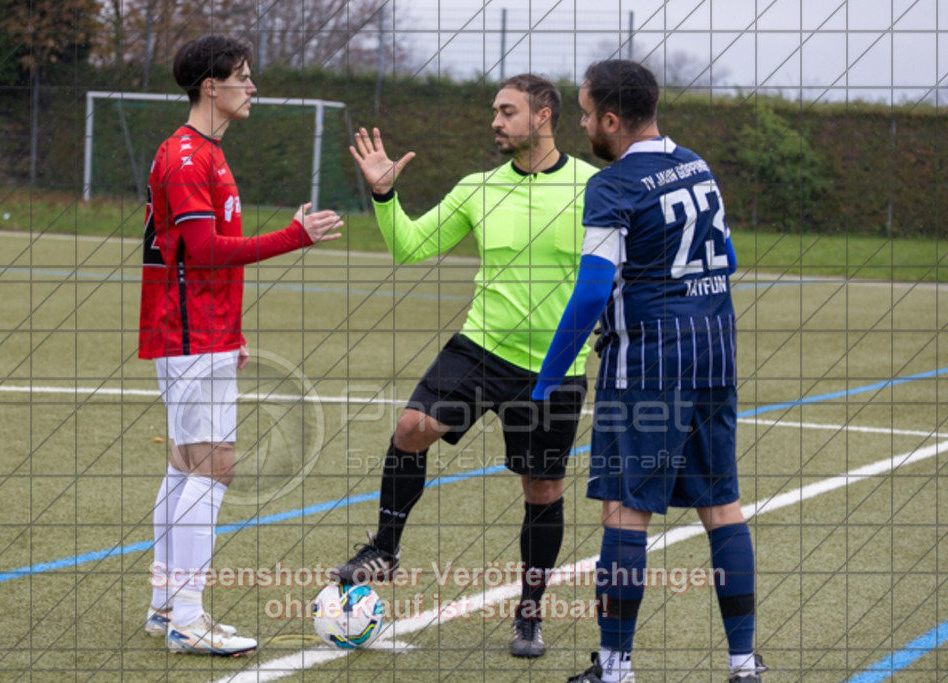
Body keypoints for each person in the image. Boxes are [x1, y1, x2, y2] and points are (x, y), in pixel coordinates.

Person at [332, 74, 598, 659]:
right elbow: (410, 246)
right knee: (411, 428)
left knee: (543, 488)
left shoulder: (593, 187)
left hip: (555, 368)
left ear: (544, 116)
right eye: (495, 112)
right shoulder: (477, 188)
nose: (496, 122)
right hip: (479, 349)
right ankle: (385, 547)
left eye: (508, 112)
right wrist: (384, 196)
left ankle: (529, 616)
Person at [531, 60, 764, 682]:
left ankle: (615, 668)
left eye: (584, 114)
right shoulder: (697, 165)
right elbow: (728, 256)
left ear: (611, 119)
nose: (582, 125)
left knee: (624, 511)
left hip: (651, 361)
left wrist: (549, 377)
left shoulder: (612, 185)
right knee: (722, 506)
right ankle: (744, 663)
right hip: (716, 350)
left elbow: (590, 293)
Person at [138, 34, 343, 656]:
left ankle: (167, 606)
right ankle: (188, 618)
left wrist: (233, 332)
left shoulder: (207, 152)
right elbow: (200, 254)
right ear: (211, 86)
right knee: (211, 467)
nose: (251, 87)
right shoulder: (185, 157)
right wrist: (294, 237)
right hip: (188, 333)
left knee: (185, 467)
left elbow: (196, 261)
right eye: (243, 77)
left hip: (202, 332)